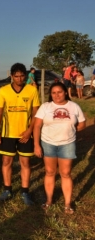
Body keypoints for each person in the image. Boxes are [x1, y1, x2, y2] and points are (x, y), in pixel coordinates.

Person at [33, 82, 85, 214]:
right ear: (50, 94)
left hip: (67, 144)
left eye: (60, 92)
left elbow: (82, 123)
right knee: (50, 172)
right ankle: (49, 200)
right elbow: (37, 126)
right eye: (53, 93)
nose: (57, 95)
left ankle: (67, 204)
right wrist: (36, 145)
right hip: (48, 143)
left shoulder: (74, 106)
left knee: (66, 173)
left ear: (65, 92)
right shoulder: (45, 107)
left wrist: (71, 130)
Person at [0, 63, 40, 205]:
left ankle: (25, 191)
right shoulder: (4, 90)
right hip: (7, 133)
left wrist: (29, 131)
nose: (20, 79)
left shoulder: (31, 90)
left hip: (25, 134)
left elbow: (35, 112)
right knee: (6, 161)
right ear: (12, 76)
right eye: (16, 76)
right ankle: (7, 189)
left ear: (25, 76)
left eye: (22, 76)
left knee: (25, 162)